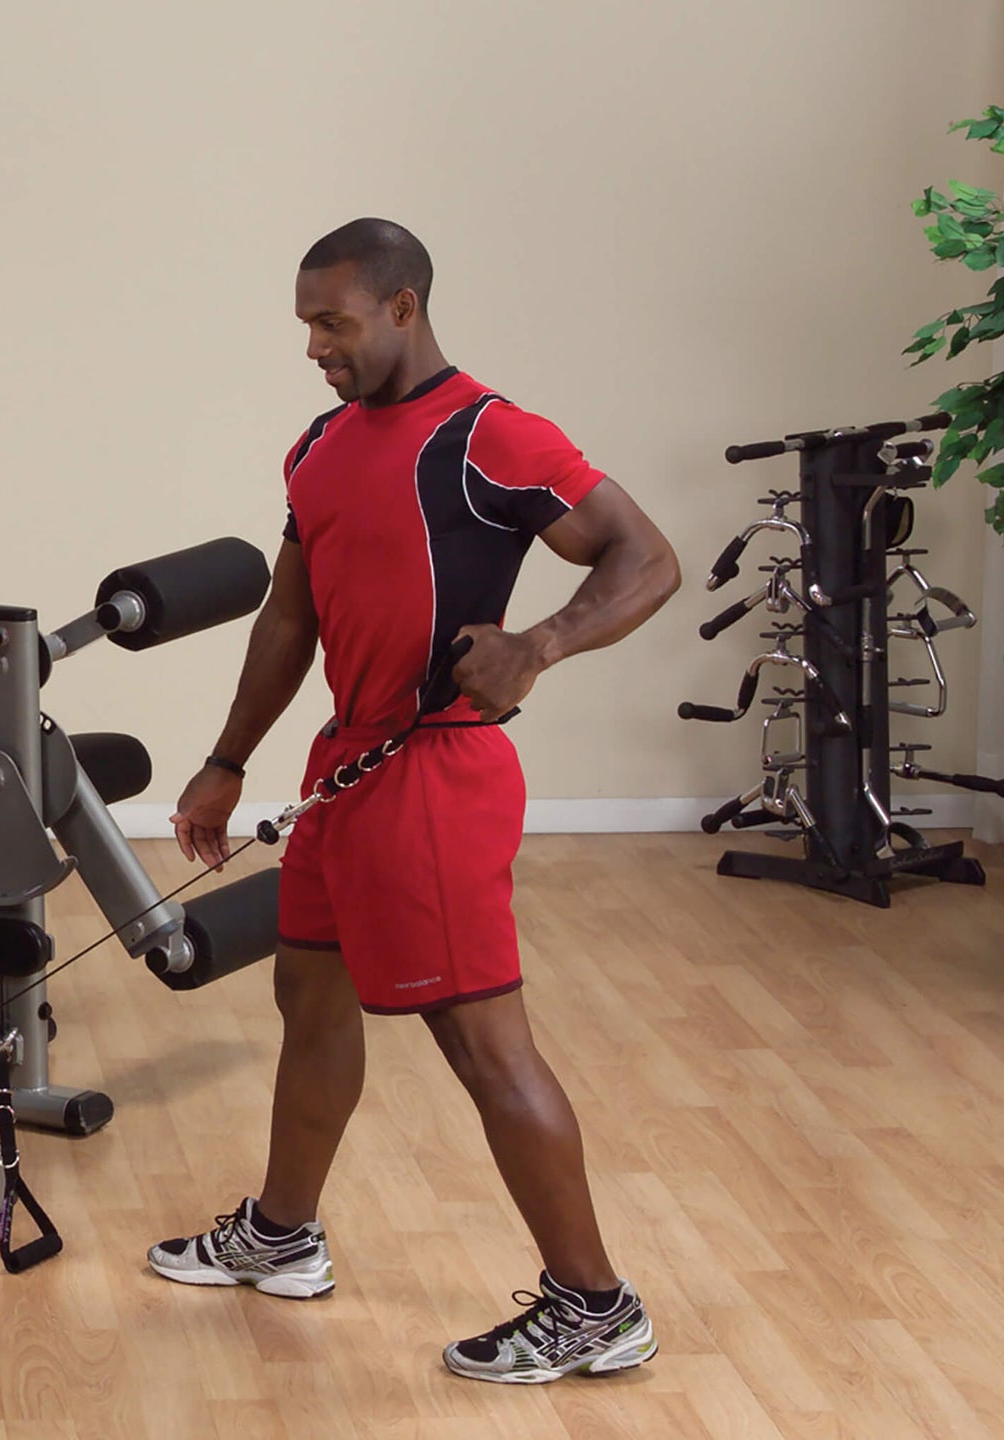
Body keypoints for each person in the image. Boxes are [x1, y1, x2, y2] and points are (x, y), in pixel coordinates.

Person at [147, 218, 680, 1385]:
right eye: (305, 325)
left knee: (485, 1048)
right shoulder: (319, 445)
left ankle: (596, 1306)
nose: (314, 347)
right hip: (344, 768)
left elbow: (646, 557)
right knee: (309, 998)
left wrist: (539, 644)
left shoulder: (490, 435)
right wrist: (228, 758)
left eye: (331, 323)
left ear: (403, 308)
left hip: (437, 775)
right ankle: (283, 1235)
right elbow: (292, 614)